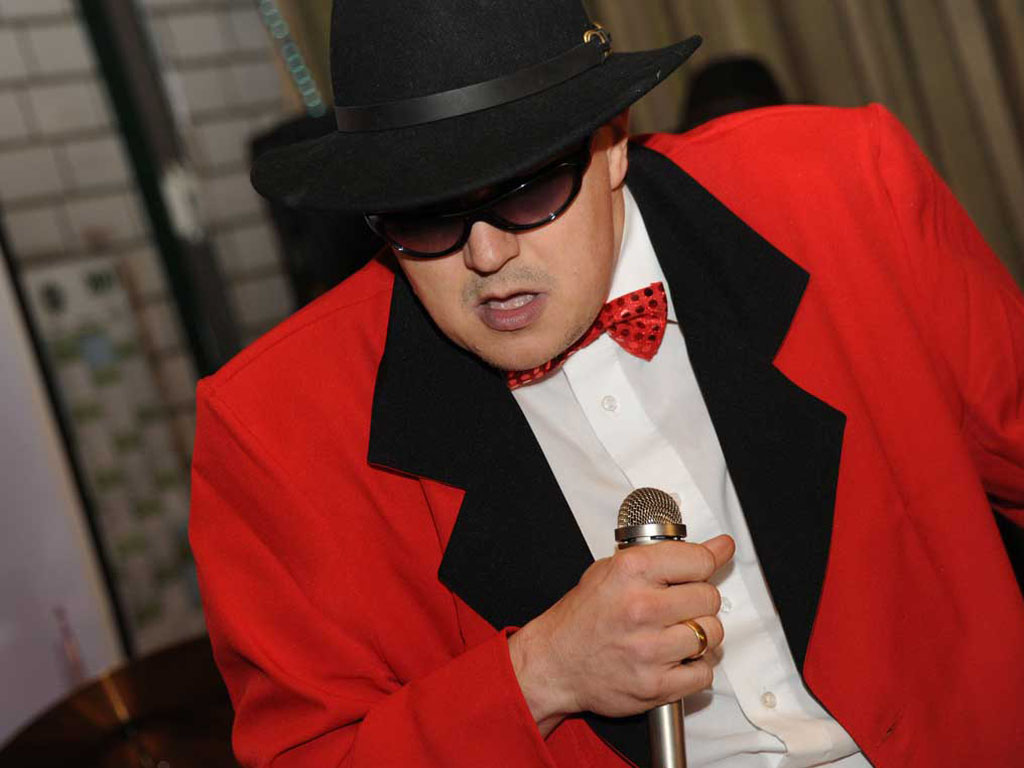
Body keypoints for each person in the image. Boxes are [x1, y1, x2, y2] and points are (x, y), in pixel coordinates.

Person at [188, 1, 1024, 767]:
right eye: (425, 216)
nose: (486, 256)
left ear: (614, 141)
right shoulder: (274, 431)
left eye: (528, 189)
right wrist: (539, 674)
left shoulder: (843, 192)